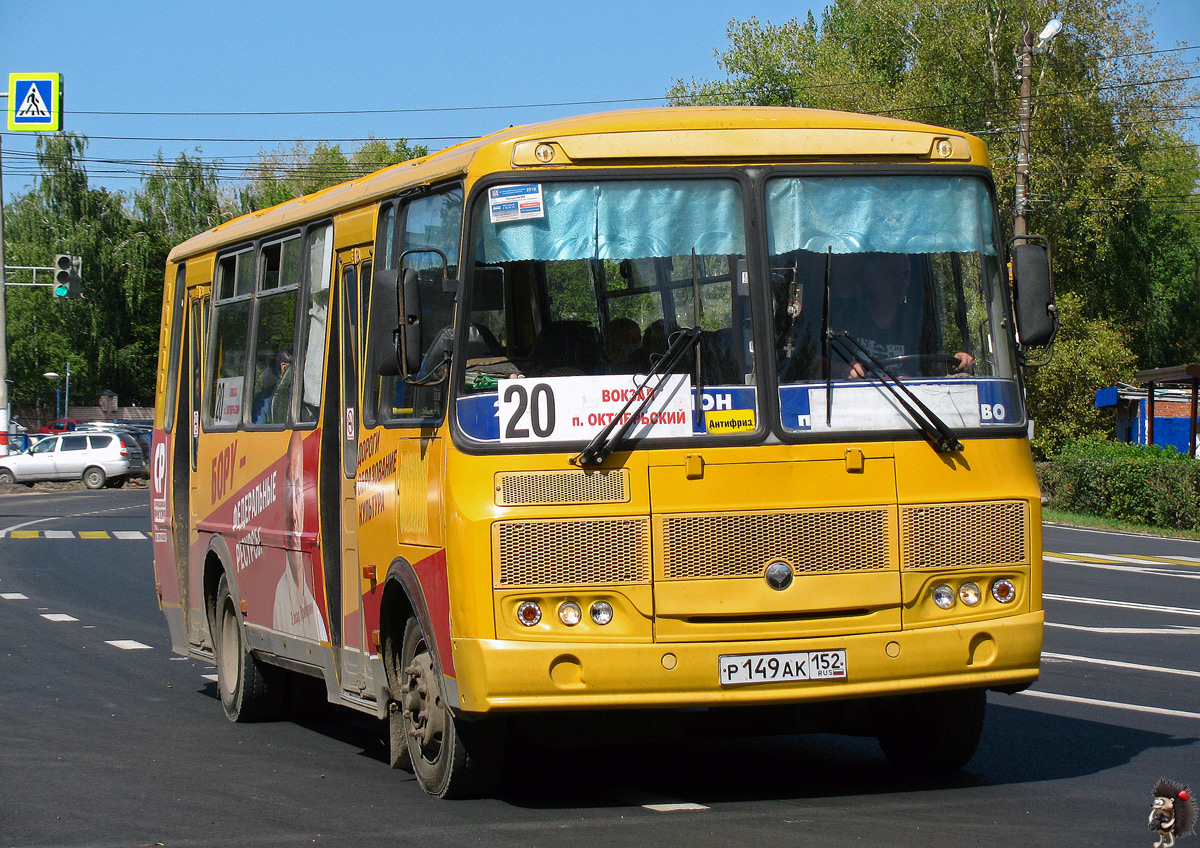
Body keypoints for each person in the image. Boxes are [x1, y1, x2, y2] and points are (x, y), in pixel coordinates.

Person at [837, 253, 973, 379]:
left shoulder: (917, 320)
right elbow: (820, 363)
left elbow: (937, 364)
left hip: (910, 399)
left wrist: (956, 362)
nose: (901, 282)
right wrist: (844, 368)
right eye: (891, 275)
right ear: (870, 280)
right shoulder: (846, 314)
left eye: (906, 275)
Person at [273, 429, 328, 642]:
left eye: (299, 491)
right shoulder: (280, 598)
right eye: (289, 488)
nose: (294, 514)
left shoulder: (314, 610)